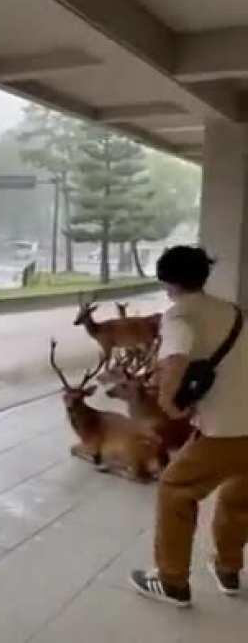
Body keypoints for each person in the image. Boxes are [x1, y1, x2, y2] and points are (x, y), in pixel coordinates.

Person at [130, 245, 248, 607]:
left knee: (175, 488)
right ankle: (228, 570)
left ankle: (172, 581)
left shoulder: (179, 315)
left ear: (166, 281)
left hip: (229, 429)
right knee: (238, 497)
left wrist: (167, 402)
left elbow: (177, 356)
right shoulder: (234, 312)